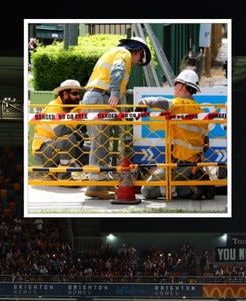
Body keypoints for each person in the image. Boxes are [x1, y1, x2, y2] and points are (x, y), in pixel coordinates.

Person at [82, 36, 151, 199]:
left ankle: (102, 181)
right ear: (139, 52)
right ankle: (95, 184)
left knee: (100, 142)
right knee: (100, 143)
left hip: (94, 98)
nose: (138, 61)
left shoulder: (115, 52)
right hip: (101, 98)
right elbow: (117, 70)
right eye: (140, 56)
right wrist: (114, 92)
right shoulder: (124, 53)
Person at [138, 69, 215, 200]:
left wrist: (143, 102)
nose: (174, 88)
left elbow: (160, 102)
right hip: (194, 163)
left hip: (179, 164)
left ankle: (192, 189)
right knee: (165, 183)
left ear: (181, 86)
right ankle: (195, 182)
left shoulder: (179, 104)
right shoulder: (201, 111)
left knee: (147, 191)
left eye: (175, 85)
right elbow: (206, 144)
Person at [31, 79, 86, 180]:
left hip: (59, 147)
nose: (78, 97)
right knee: (69, 139)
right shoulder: (54, 107)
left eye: (79, 94)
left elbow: (91, 111)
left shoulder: (75, 106)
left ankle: (93, 181)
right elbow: (60, 131)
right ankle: (64, 177)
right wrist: (77, 133)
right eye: (75, 93)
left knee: (89, 152)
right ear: (65, 94)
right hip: (42, 151)